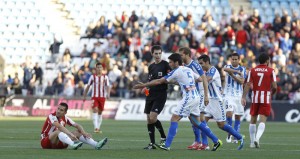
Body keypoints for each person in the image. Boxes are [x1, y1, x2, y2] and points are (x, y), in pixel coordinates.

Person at [134, 53, 222, 151]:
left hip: (189, 97)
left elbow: (159, 81)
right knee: (197, 122)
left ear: (176, 62)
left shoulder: (176, 71)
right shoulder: (188, 69)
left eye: (171, 62)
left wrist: (144, 85)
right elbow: (200, 79)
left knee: (174, 118)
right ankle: (216, 140)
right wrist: (184, 82)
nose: (170, 64)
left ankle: (167, 145)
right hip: (196, 96)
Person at [198, 55, 244, 150]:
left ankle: (239, 137)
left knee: (221, 125)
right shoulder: (206, 72)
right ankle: (205, 144)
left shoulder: (213, 71)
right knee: (202, 122)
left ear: (207, 62)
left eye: (201, 63)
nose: (200, 65)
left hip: (217, 101)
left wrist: (195, 79)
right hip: (209, 101)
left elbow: (207, 80)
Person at [241, 53, 277, 148]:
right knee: (262, 120)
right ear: (267, 61)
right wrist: (271, 93)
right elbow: (274, 86)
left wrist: (243, 97)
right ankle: (257, 138)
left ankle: (252, 142)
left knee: (253, 120)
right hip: (265, 98)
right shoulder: (271, 70)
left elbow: (248, 84)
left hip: (255, 98)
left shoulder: (252, 70)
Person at [178, 47, 210, 150]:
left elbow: (204, 79)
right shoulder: (183, 66)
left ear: (187, 55)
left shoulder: (194, 65)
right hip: (192, 94)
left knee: (200, 118)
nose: (180, 56)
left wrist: (205, 95)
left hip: (200, 93)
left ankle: (205, 143)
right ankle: (197, 141)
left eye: (181, 54)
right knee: (192, 118)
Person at [40, 102, 108, 150]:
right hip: (46, 143)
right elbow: (59, 127)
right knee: (58, 131)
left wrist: (84, 133)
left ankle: (96, 144)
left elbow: (77, 125)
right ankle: (73, 144)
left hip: (58, 144)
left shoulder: (65, 118)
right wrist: (70, 134)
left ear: (65, 112)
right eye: (58, 109)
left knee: (77, 132)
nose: (58, 111)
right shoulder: (51, 116)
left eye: (61, 110)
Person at [142, 45, 171, 150]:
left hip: (160, 94)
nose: (158, 55)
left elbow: (170, 78)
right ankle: (152, 143)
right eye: (156, 53)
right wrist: (145, 87)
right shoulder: (151, 66)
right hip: (150, 94)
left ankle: (163, 136)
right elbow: (150, 80)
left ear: (161, 53)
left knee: (153, 117)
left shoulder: (165, 65)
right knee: (149, 120)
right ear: (152, 54)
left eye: (159, 53)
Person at [223, 53, 247, 143]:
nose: (234, 61)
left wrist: (232, 75)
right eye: (232, 59)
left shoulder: (243, 69)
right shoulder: (228, 66)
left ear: (239, 60)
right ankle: (229, 134)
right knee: (229, 114)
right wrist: (236, 73)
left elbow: (242, 81)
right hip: (228, 95)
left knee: (237, 116)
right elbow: (225, 69)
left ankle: (236, 136)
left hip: (238, 95)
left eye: (236, 59)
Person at [83, 63, 110, 133]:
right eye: (98, 67)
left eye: (100, 67)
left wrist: (108, 94)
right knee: (95, 110)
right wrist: (85, 95)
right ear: (96, 69)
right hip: (94, 96)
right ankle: (96, 128)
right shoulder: (92, 77)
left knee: (100, 112)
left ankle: (98, 127)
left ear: (102, 69)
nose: (99, 69)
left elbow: (108, 86)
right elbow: (88, 86)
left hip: (102, 97)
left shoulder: (105, 77)